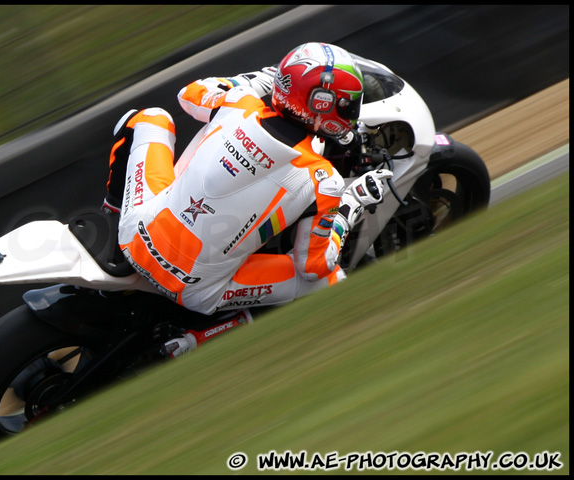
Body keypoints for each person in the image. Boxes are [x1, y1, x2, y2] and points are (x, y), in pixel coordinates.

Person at [101, 42, 393, 356]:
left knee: (150, 118)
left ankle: (109, 216)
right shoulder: (323, 179)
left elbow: (190, 93)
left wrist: (260, 81)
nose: (352, 112)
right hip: (192, 288)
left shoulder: (239, 102)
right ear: (323, 105)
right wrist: (350, 206)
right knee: (330, 280)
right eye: (348, 105)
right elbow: (314, 266)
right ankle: (197, 340)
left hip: (134, 234)